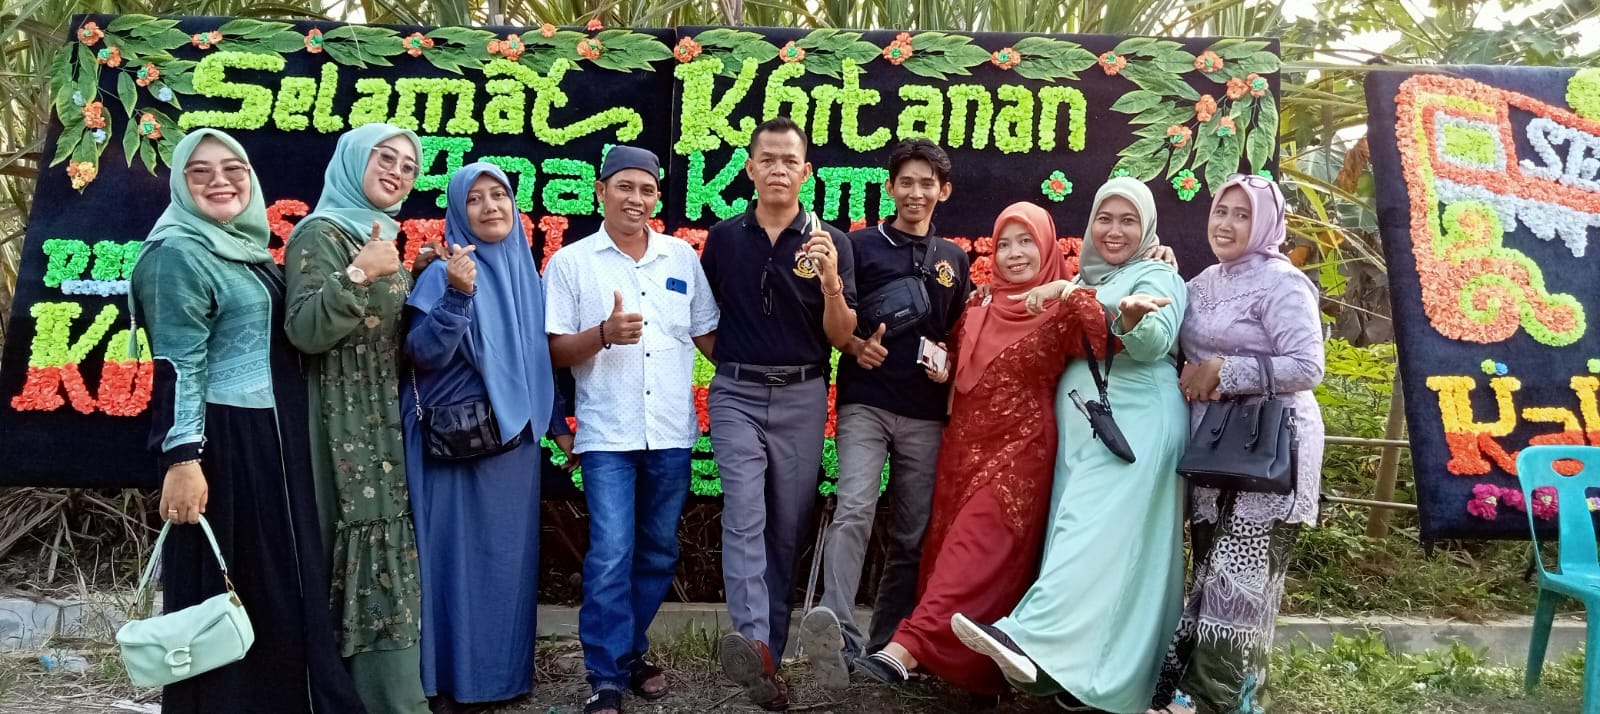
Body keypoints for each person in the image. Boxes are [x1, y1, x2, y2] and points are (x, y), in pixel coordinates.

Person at [131, 128, 364, 713]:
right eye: (200, 171)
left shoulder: (243, 248)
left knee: (276, 584)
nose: (220, 181)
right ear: (181, 183)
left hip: (272, 439)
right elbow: (178, 363)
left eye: (232, 168)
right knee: (229, 587)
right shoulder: (176, 254)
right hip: (224, 444)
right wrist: (183, 460)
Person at [842, 202, 1114, 697]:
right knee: (955, 554)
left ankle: (904, 649)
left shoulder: (1058, 310)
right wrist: (942, 366)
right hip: (961, 449)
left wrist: (1067, 289)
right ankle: (973, 675)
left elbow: (1105, 338)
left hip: (1019, 452)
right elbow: (953, 355)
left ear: (1048, 246)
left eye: (1026, 242)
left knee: (975, 549)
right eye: (1004, 244)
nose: (1014, 253)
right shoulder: (977, 305)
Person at [954, 177, 1189, 714]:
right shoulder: (1087, 276)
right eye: (1105, 218)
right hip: (1088, 427)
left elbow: (1153, 341)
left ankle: (1028, 637)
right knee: (1095, 545)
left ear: (1147, 228)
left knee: (1089, 535)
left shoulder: (1157, 274)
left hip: (1135, 423)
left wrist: (1123, 316)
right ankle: (1084, 678)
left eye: (1129, 220)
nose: (1114, 230)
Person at [544, 146, 719, 714]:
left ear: (657, 198)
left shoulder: (681, 257)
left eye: (646, 189)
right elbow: (553, 350)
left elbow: (707, 336)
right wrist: (604, 334)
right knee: (611, 554)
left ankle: (628, 652)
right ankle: (605, 675)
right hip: (608, 436)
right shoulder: (571, 262)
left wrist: (772, 369)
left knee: (658, 553)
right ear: (600, 191)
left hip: (670, 432)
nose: (635, 199)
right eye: (624, 187)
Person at [401, 163, 575, 706]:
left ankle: (499, 679)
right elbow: (421, 353)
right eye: (474, 199)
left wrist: (557, 428)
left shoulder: (528, 275)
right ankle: (446, 682)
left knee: (504, 564)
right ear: (459, 211)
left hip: (513, 443)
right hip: (454, 442)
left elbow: (536, 362)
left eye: (498, 195)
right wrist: (458, 295)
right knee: (452, 561)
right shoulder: (443, 273)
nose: (490, 206)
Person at [1151, 174, 1325, 714]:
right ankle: (1232, 698)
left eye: (1243, 214)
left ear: (1267, 224)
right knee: (1210, 575)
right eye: (1221, 211)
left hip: (1272, 448)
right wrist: (1160, 268)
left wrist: (1226, 371)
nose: (1226, 224)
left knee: (1239, 584)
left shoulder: (1283, 283)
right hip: (1215, 448)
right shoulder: (1202, 282)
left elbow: (1308, 366)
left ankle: (1207, 701)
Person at [800, 138, 970, 688]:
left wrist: (948, 368)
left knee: (913, 532)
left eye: (927, 183)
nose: (916, 192)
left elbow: (958, 333)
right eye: (907, 182)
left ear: (943, 191)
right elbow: (836, 322)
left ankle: (886, 647)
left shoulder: (954, 259)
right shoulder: (858, 246)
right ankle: (837, 636)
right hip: (866, 405)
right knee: (854, 507)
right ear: (891, 187)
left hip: (926, 415)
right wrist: (856, 347)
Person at [701, 116, 858, 711]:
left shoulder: (830, 242)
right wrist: (739, 365)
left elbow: (841, 336)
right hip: (737, 395)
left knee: (786, 529)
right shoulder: (724, 238)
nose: (778, 169)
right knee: (744, 514)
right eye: (767, 158)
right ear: (749, 167)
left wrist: (831, 281)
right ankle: (756, 648)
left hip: (803, 396)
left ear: (806, 171)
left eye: (789, 160)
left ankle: (771, 655)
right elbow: (703, 321)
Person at [283, 123, 429, 714]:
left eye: (409, 166)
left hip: (382, 416)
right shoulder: (318, 234)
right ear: (352, 161)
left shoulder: (382, 235)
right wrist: (361, 273)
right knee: (357, 546)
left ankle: (385, 696)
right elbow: (304, 330)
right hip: (340, 420)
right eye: (385, 158)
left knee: (383, 549)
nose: (397, 171)